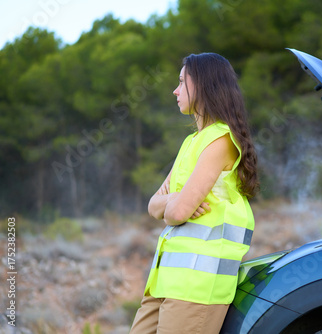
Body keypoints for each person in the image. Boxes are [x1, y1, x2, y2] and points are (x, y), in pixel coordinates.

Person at [129, 52, 259, 334]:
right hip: (164, 281)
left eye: (181, 82)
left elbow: (174, 214)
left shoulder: (221, 140)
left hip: (197, 289)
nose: (175, 91)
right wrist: (178, 200)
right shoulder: (191, 143)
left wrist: (174, 205)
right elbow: (154, 206)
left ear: (202, 85)